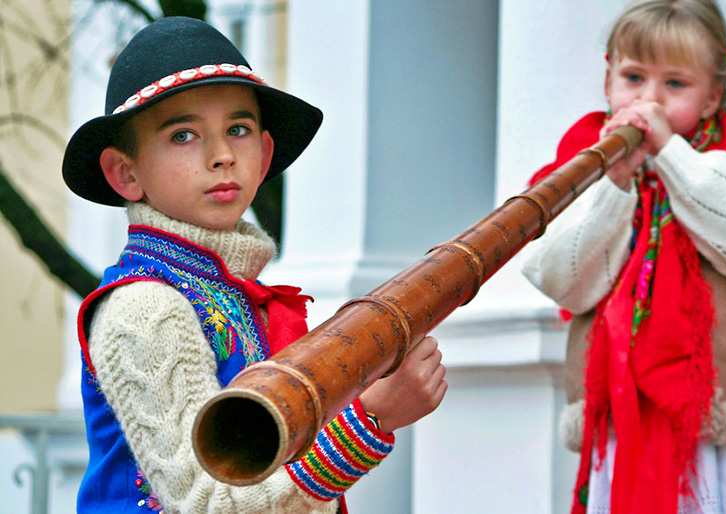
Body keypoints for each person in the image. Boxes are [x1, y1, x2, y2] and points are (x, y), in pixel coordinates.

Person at [62, 17, 447, 513]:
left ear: (264, 156)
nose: (222, 155)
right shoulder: (145, 306)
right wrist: (369, 420)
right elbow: (205, 504)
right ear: (125, 172)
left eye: (238, 130)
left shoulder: (235, 291)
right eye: (183, 135)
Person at [520, 1, 726, 513]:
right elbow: (561, 277)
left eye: (675, 85)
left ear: (713, 95)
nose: (648, 100)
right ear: (608, 81)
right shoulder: (577, 166)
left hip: (714, 422)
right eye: (633, 77)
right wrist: (615, 182)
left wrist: (671, 152)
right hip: (619, 421)